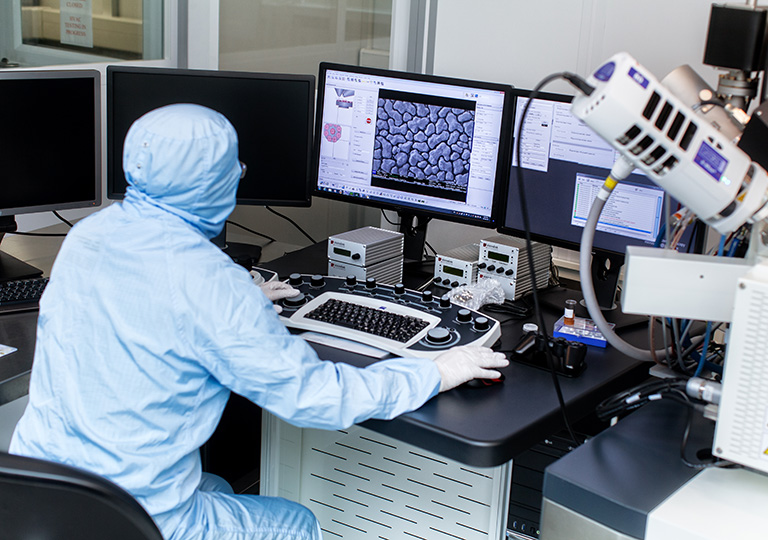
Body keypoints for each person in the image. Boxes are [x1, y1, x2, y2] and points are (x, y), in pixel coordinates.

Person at [10, 104, 508, 540]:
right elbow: (315, 398)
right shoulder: (209, 284)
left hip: (46, 495)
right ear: (214, 182)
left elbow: (145, 304)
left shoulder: (88, 237)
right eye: (235, 168)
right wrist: (435, 371)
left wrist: (239, 298)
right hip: (138, 515)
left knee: (219, 486)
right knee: (298, 525)